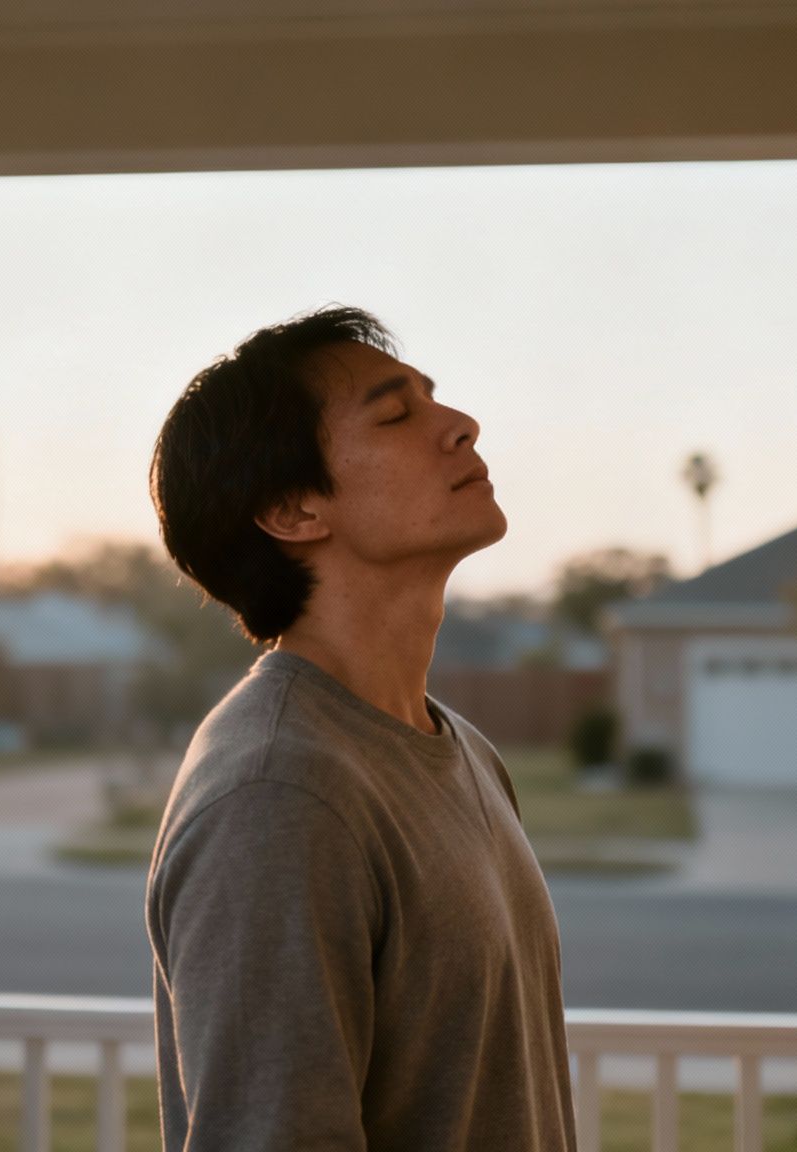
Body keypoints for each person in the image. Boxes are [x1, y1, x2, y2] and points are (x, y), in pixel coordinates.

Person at [144, 305, 577, 1150]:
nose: (461, 425)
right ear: (294, 509)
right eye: (395, 414)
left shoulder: (460, 749)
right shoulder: (278, 793)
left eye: (433, 399)